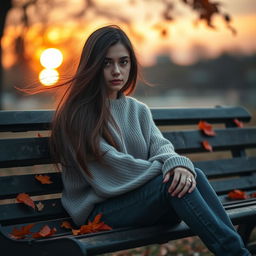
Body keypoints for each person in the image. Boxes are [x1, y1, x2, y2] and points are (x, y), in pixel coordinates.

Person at [49, 25, 251, 256]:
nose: (117, 71)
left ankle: (238, 252)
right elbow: (114, 169)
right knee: (173, 180)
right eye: (107, 63)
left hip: (139, 203)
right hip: (99, 212)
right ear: (92, 66)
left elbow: (161, 146)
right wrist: (168, 169)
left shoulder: (138, 110)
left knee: (193, 174)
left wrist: (176, 163)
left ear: (131, 65)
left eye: (123, 62)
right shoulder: (78, 115)